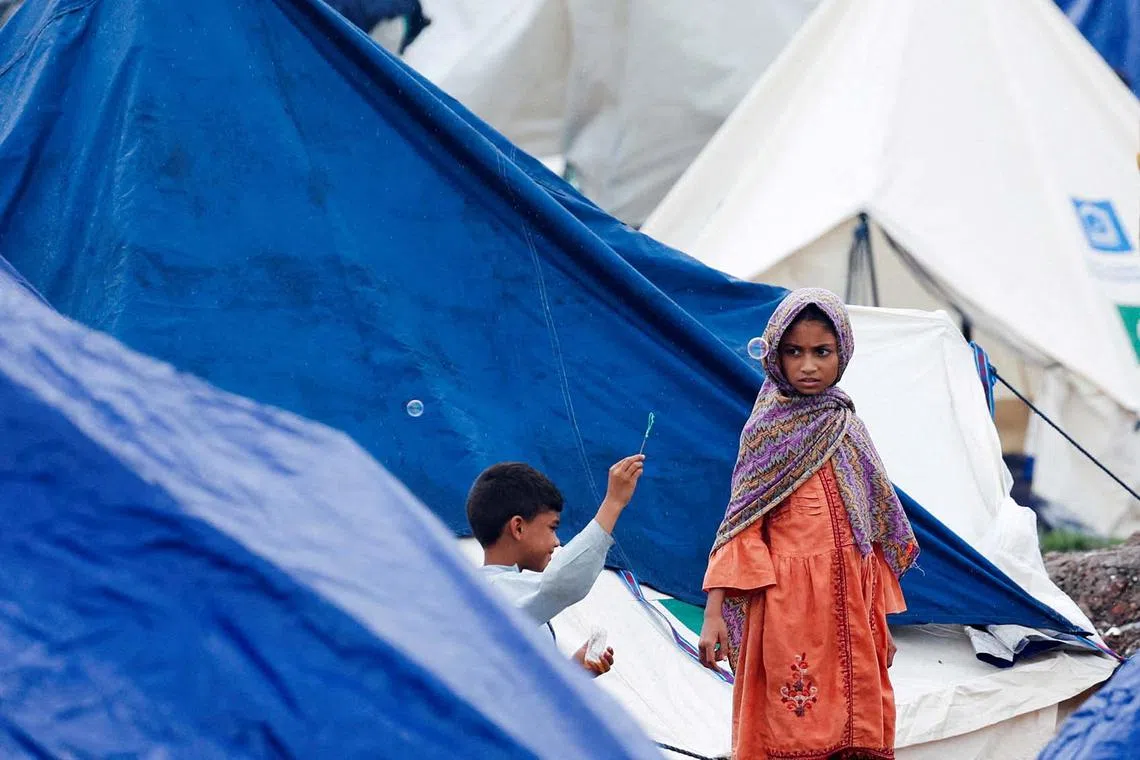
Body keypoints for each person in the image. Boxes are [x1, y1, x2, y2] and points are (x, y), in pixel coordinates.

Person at [698, 288, 919, 759]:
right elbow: (738, 526)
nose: (809, 366)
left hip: (853, 604)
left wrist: (880, 621)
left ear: (843, 352)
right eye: (794, 352)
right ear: (775, 354)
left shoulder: (846, 425)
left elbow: (871, 531)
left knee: (856, 726)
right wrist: (714, 615)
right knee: (793, 729)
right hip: (788, 608)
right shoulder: (766, 430)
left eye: (823, 352)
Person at [467, 455, 645, 675]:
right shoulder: (492, 592)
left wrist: (574, 671)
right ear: (518, 528)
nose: (557, 542)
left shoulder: (519, 601)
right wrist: (613, 503)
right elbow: (559, 584)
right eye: (552, 528)